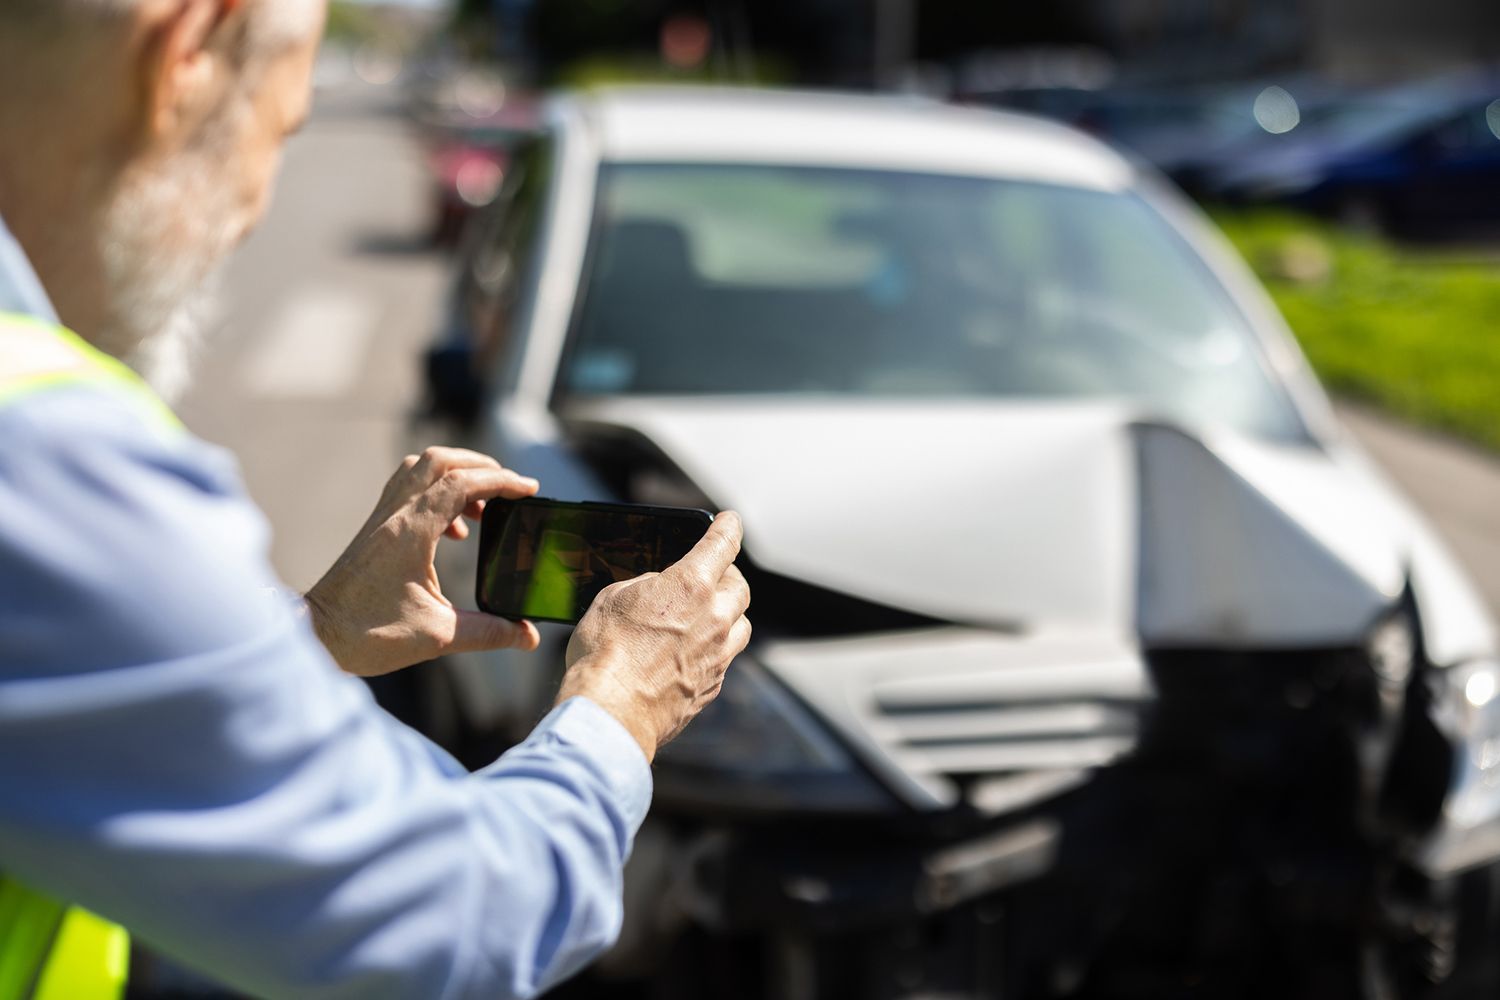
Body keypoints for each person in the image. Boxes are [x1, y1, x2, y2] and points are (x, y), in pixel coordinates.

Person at [0, 1, 751, 997]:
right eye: (283, 129)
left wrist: (316, 635)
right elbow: (456, 926)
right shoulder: (48, 454)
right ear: (187, 53)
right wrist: (625, 698)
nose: (256, 204)